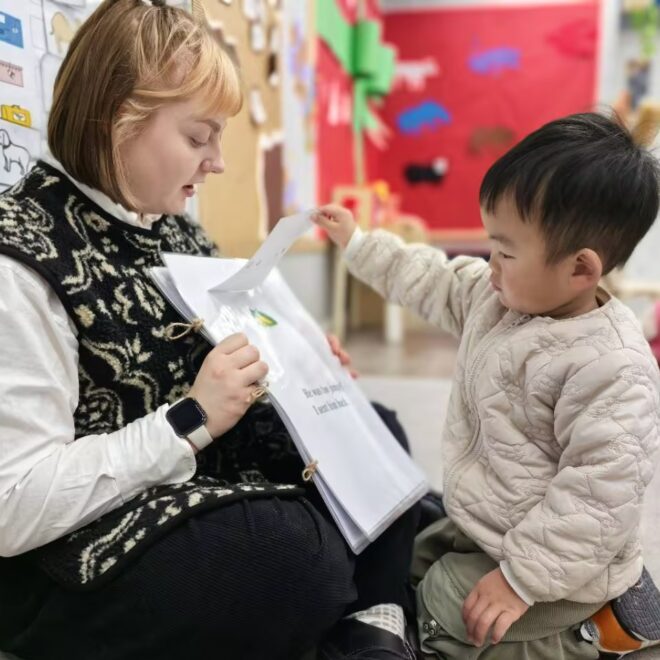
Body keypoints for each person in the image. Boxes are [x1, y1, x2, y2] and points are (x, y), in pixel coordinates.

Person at [0, 2, 420, 659]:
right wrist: (189, 418)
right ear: (116, 122)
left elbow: (228, 353)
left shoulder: (171, 226)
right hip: (74, 549)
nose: (218, 163)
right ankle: (364, 599)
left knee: (376, 429)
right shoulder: (22, 259)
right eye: (199, 138)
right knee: (287, 553)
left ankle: (367, 616)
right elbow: (14, 506)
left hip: (198, 479)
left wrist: (299, 360)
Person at [314, 111, 660, 659]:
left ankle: (586, 635)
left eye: (506, 252)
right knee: (405, 560)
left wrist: (521, 579)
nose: (489, 264)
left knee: (446, 608)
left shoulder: (614, 367)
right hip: (488, 519)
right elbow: (430, 278)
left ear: (580, 269)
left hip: (562, 567)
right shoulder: (497, 297)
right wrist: (358, 244)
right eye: (490, 246)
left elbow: (597, 500)